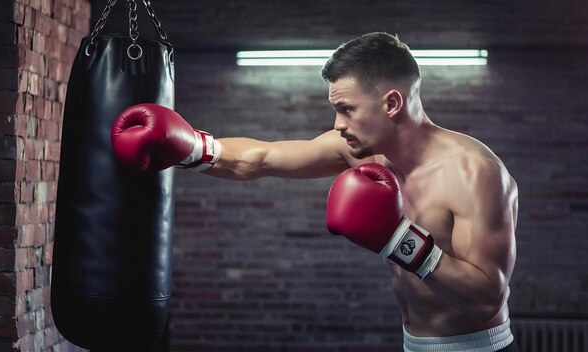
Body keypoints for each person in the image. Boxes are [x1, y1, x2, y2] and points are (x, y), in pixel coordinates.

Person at [111, 32, 520, 352]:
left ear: (392, 103)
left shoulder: (473, 173)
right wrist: (192, 147)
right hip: (413, 342)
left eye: (347, 109)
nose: (337, 124)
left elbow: (487, 298)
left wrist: (399, 240)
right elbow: (263, 158)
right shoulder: (360, 150)